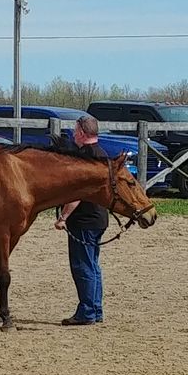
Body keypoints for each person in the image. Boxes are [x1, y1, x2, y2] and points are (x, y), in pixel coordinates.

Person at [50, 115, 109, 326]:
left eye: (75, 131)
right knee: (93, 265)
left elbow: (77, 195)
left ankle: (87, 312)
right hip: (99, 217)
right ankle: (96, 308)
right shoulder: (101, 155)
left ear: (82, 133)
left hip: (85, 220)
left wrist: (63, 217)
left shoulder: (85, 159)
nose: (74, 134)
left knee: (82, 266)